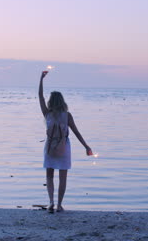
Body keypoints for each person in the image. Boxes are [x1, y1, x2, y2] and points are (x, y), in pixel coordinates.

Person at [38, 71, 93, 213]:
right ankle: (59, 205)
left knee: (49, 176)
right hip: (64, 147)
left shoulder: (47, 114)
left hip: (50, 146)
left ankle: (51, 203)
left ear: (51, 101)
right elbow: (76, 132)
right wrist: (86, 147)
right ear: (62, 101)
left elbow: (40, 97)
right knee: (63, 178)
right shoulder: (67, 115)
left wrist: (41, 79)